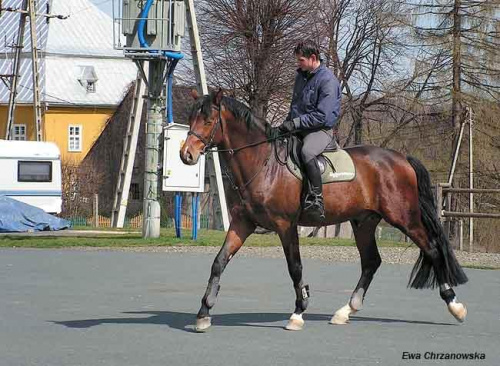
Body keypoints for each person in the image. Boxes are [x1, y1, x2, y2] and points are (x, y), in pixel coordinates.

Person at [276, 40, 341, 220]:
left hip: (320, 130)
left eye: (301, 60)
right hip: (299, 127)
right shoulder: (301, 76)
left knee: (306, 152)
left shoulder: (328, 81)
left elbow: (323, 116)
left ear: (313, 58)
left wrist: (295, 124)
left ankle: (316, 199)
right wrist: (285, 125)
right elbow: (295, 106)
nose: (298, 64)